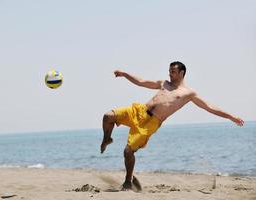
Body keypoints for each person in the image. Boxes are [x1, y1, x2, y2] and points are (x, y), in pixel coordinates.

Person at [100, 61, 244, 190]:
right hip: (139, 111)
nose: (170, 74)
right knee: (108, 116)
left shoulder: (188, 93)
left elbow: (209, 107)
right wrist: (124, 74)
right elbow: (142, 81)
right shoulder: (164, 83)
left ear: (182, 73)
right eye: (169, 71)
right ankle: (107, 138)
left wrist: (231, 117)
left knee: (128, 151)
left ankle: (128, 181)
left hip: (152, 123)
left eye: (173, 72)